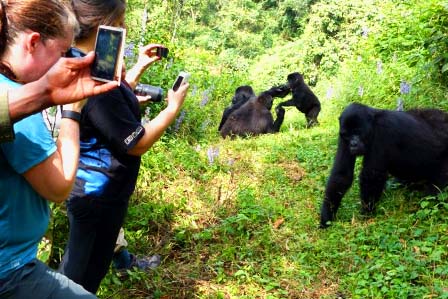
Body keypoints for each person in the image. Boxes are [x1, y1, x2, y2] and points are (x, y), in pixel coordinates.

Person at [59, 0, 189, 294]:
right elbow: (136, 143)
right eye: (121, 21)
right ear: (105, 23)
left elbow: (109, 100)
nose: (124, 28)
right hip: (96, 194)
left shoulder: (84, 59)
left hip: (96, 187)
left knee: (86, 267)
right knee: (80, 276)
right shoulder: (91, 74)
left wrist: (137, 69)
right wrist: (171, 109)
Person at [0, 1, 104, 298]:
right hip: (10, 270)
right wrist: (72, 113)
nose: (66, 61)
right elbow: (58, 186)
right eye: (62, 53)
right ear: (33, 42)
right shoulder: (17, 105)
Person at [0, 52, 118, 142]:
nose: (67, 56)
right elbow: (63, 174)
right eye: (63, 51)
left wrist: (47, 91)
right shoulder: (27, 122)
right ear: (33, 42)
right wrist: (72, 109)